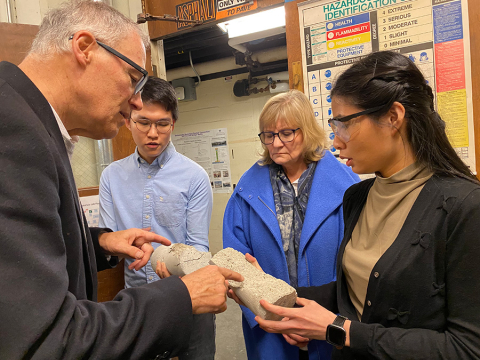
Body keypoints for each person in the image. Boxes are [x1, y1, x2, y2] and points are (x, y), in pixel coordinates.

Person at [0, 1, 241, 359]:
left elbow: (25, 257)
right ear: (84, 48)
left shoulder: (31, 121)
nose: (134, 104)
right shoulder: (15, 133)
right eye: (132, 79)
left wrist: (101, 243)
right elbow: (48, 339)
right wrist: (183, 294)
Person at [252, 51, 480, 359]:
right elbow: (357, 293)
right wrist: (267, 288)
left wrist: (339, 330)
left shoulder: (464, 207)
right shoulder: (358, 197)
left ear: (393, 117)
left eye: (344, 124)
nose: (336, 141)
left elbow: (467, 348)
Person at [223, 89, 359, 360]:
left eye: (286, 133)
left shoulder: (349, 188)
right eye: (268, 135)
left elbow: (357, 269)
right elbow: (236, 264)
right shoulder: (245, 194)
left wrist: (322, 320)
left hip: (329, 322)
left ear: (307, 131)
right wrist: (277, 318)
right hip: (270, 327)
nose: (275, 143)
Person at [99, 76, 216, 360]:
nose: (153, 133)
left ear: (173, 124)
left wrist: (176, 265)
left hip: (189, 296)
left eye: (162, 124)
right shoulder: (111, 176)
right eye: (143, 122)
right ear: (128, 121)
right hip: (139, 304)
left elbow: (198, 244)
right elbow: (109, 242)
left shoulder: (195, 177)